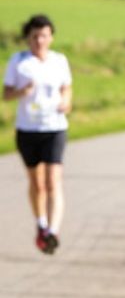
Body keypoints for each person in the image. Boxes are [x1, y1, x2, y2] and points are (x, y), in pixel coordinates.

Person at [3, 14, 72, 255]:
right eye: (35, 36)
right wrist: (22, 92)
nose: (39, 41)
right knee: (37, 183)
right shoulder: (19, 61)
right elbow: (6, 94)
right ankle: (41, 224)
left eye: (44, 36)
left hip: (54, 127)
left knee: (53, 180)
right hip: (28, 129)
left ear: (51, 37)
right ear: (28, 38)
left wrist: (66, 102)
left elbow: (67, 88)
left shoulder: (59, 61)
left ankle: (53, 231)